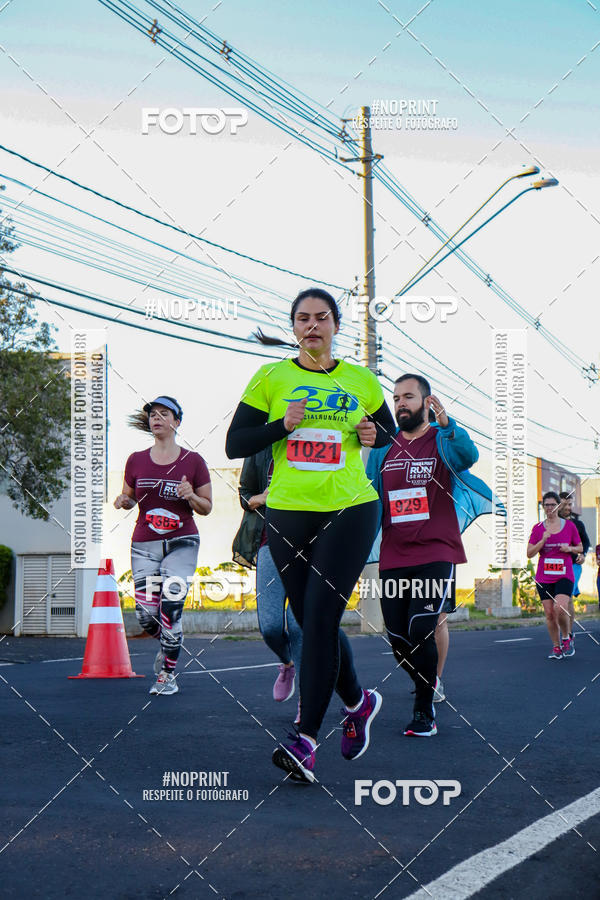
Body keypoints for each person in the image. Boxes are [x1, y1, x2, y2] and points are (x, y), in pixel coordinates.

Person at [225, 287, 396, 782]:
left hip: (349, 506)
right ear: (295, 328)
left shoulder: (360, 379)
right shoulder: (271, 377)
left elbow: (384, 434)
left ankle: (304, 739)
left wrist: (371, 436)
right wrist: (281, 423)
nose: (313, 325)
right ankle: (359, 703)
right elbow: (236, 443)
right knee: (308, 619)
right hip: (288, 511)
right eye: (303, 318)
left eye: (322, 317)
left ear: (336, 327)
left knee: (319, 621)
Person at [366, 374, 502, 737]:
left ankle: (423, 710)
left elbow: (467, 457)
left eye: (408, 397)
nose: (399, 404)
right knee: (397, 637)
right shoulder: (384, 447)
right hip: (394, 553)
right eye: (395, 398)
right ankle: (429, 682)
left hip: (436, 550)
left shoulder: (442, 438)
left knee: (421, 628)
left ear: (426, 402)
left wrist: (449, 425)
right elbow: (368, 494)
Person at [114, 396, 212, 694]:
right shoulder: (136, 459)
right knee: (145, 616)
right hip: (145, 543)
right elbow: (129, 496)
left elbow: (206, 507)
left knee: (170, 607)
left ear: (177, 421)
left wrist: (190, 496)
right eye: (152, 414)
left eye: (163, 413)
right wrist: (124, 501)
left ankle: (167, 676)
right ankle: (170, 640)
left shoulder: (193, 461)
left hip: (182, 542)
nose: (156, 418)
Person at [232, 446, 302, 722]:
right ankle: (287, 664)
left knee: (299, 626)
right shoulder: (261, 447)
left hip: (308, 547)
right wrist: (261, 498)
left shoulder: (319, 437)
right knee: (271, 626)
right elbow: (244, 492)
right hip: (268, 544)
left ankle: (306, 704)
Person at [527, 491, 582, 659]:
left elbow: (579, 547)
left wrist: (570, 549)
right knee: (550, 613)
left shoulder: (570, 526)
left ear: (559, 506)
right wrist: (542, 541)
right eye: (546, 505)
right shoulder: (537, 528)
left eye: (553, 504)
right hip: (544, 577)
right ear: (543, 507)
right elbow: (529, 553)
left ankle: (566, 637)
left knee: (560, 607)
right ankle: (556, 648)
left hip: (564, 574)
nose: (549, 508)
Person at [558, 491, 590, 639]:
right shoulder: (552, 523)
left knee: (567, 596)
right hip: (557, 566)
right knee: (558, 600)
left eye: (569, 504)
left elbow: (586, 542)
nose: (567, 507)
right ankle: (563, 629)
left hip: (574, 565)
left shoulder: (578, 524)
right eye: (564, 504)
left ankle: (568, 633)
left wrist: (583, 555)